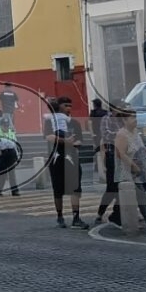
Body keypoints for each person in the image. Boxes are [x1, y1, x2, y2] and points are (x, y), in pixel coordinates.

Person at [104, 110, 146, 233]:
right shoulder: (122, 134)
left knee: (131, 196)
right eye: (132, 117)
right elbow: (121, 153)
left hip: (138, 169)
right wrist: (133, 166)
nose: (135, 120)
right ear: (124, 120)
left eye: (135, 117)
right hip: (127, 170)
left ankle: (121, 217)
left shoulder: (135, 132)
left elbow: (139, 147)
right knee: (138, 195)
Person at [45, 98, 89, 229]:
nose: (68, 108)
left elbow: (80, 140)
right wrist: (65, 141)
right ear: (59, 106)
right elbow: (49, 137)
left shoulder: (74, 123)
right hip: (56, 158)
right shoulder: (50, 121)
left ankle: (76, 217)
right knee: (58, 189)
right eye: (66, 105)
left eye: (70, 105)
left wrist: (74, 144)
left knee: (75, 189)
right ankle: (60, 216)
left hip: (72, 158)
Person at [0, 117, 21, 196]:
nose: (6, 127)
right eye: (4, 125)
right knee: (2, 174)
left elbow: (15, 144)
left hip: (11, 153)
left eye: (7, 125)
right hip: (2, 154)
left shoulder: (11, 132)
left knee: (12, 174)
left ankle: (15, 191)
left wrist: (17, 155)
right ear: (1, 125)